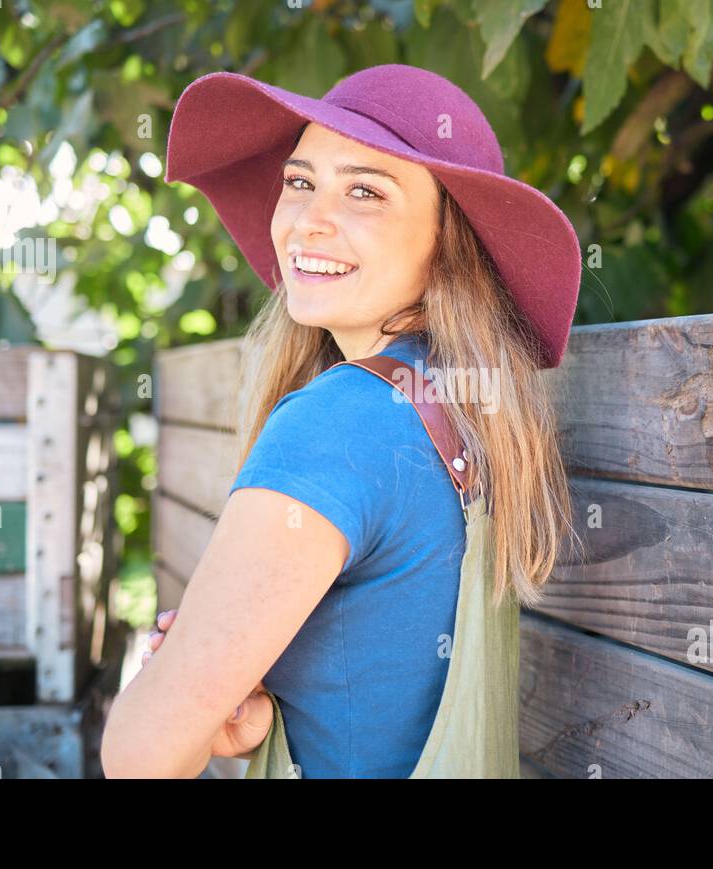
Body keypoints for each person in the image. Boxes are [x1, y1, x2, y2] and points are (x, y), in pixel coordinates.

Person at [101, 63, 585, 779]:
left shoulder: (338, 425)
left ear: (450, 240)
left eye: (365, 191)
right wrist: (260, 702)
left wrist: (184, 707)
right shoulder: (464, 412)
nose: (309, 219)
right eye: (300, 181)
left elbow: (137, 756)